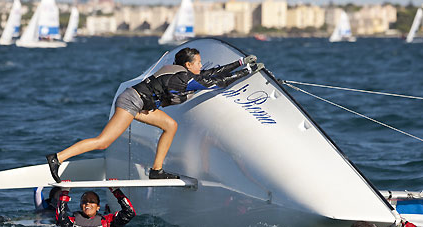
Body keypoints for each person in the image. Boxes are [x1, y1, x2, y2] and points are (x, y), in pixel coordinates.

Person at [46, 48, 264, 182]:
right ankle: (57, 158)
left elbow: (210, 73)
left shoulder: (179, 71)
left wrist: (239, 63)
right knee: (103, 142)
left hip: (141, 104)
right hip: (132, 102)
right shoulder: (182, 78)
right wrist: (247, 73)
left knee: (170, 125)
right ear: (188, 65)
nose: (201, 65)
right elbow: (213, 83)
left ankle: (156, 170)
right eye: (198, 62)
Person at [56, 184, 136, 227]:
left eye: (92, 201)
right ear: (81, 206)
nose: (88, 203)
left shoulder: (107, 222)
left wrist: (115, 191)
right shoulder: (72, 221)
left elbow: (129, 212)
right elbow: (60, 217)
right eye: (84, 201)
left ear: (98, 207)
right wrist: (64, 192)